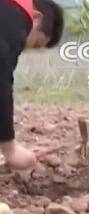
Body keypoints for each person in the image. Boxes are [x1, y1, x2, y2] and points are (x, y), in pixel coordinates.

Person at [0, 0, 64, 171]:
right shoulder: (14, 16)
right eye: (35, 44)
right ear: (36, 17)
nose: (24, 49)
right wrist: (10, 148)